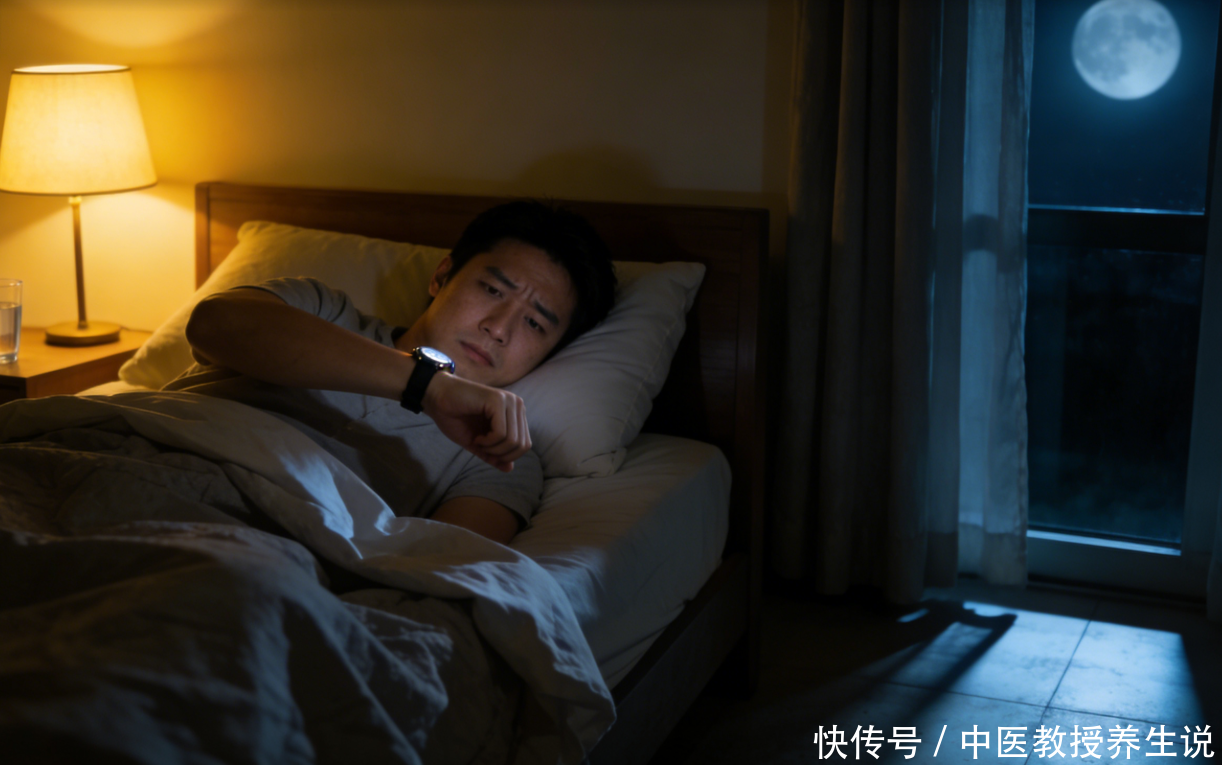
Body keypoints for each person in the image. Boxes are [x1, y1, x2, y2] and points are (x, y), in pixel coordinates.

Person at [167, 201, 616, 545]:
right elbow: (212, 324)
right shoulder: (323, 311)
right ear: (441, 276)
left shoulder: (501, 454)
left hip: (259, 553)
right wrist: (426, 386)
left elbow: (435, 570)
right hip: (149, 458)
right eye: (493, 289)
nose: (498, 328)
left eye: (534, 323)